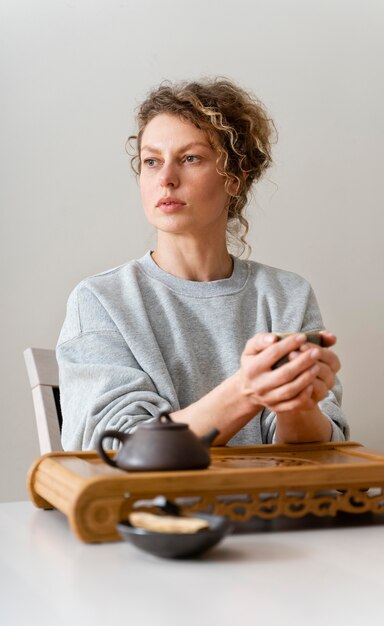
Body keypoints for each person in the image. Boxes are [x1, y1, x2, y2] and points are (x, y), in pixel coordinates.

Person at [57, 78, 349, 451]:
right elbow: (120, 451)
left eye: (190, 158)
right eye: (151, 161)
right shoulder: (101, 301)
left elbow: (320, 454)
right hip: (150, 510)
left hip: (268, 507)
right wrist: (247, 389)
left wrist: (296, 402)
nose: (166, 179)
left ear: (236, 179)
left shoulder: (286, 295)